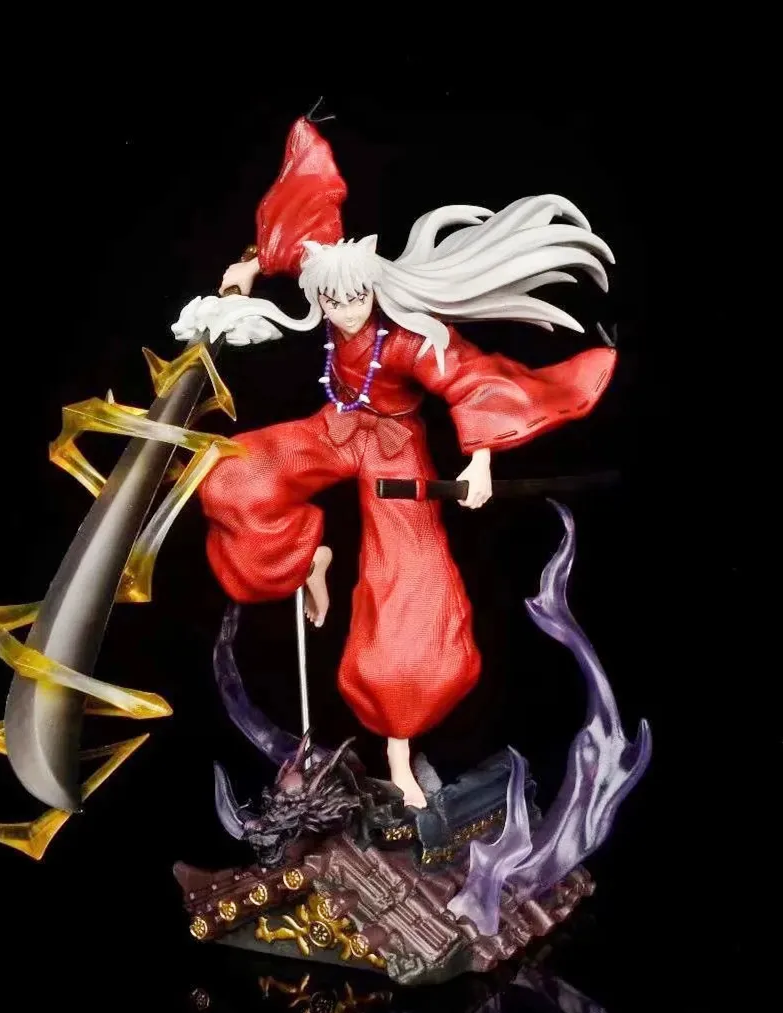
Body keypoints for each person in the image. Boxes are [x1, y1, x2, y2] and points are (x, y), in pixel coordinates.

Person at [191, 116, 617, 807]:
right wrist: (250, 268)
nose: (343, 309)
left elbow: (471, 379)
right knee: (231, 477)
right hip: (339, 428)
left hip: (397, 453)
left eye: (354, 296)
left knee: (409, 596)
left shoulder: (407, 341)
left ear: (376, 288)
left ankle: (397, 753)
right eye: (330, 298)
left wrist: (479, 461)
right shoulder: (327, 281)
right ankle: (308, 559)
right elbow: (298, 241)